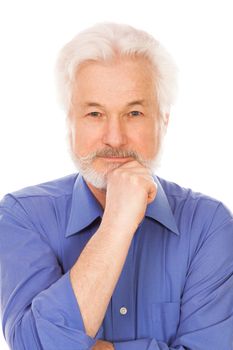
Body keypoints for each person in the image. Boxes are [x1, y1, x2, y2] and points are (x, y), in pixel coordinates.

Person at [0, 22, 233, 350]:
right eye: (95, 114)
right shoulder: (22, 216)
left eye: (134, 112)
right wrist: (115, 227)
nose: (114, 138)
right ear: (70, 123)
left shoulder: (210, 225)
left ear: (163, 120)